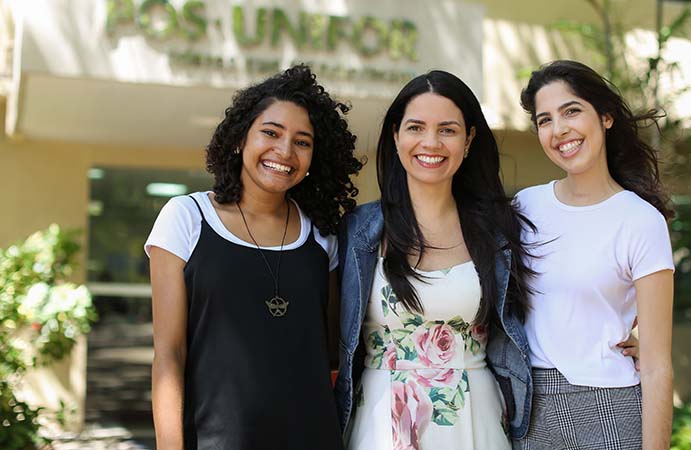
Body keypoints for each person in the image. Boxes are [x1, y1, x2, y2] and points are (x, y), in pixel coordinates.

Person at [145, 64, 362, 450]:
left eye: (302, 141)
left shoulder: (322, 234)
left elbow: (330, 352)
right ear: (239, 139)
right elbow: (169, 354)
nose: (284, 151)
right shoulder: (186, 218)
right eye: (271, 133)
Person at [334, 70, 539, 450]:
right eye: (416, 127)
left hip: (474, 419)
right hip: (380, 420)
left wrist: (626, 328)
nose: (431, 142)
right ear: (395, 136)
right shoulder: (356, 231)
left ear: (469, 140)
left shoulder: (499, 231)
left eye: (448, 129)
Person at [514, 60, 675, 450]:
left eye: (572, 111)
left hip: (608, 409)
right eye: (545, 119)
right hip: (525, 407)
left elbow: (656, 366)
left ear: (605, 117)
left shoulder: (641, 221)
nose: (559, 129)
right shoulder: (524, 207)